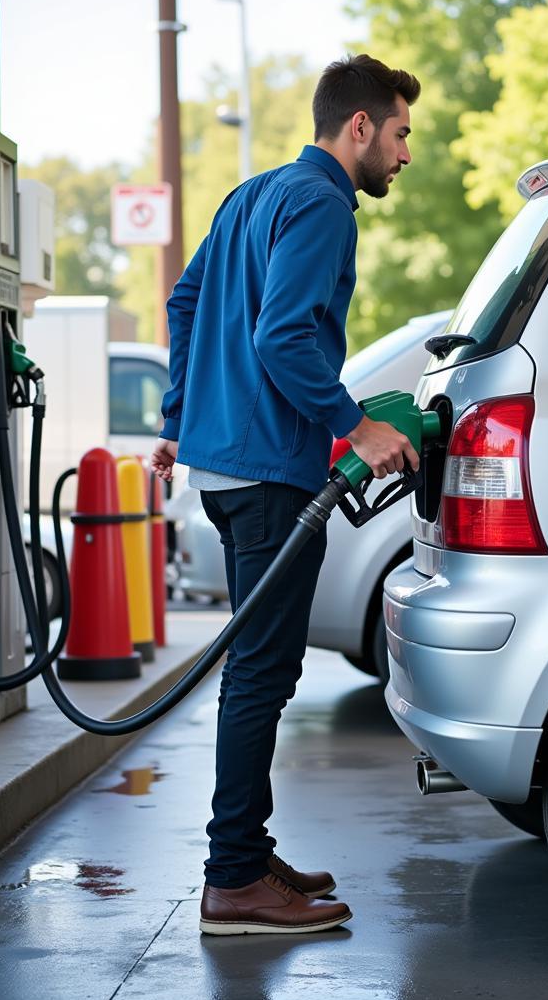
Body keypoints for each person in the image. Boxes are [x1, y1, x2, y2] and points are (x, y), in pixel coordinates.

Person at [151, 54, 421, 936]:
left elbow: (186, 301)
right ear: (358, 128)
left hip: (227, 468)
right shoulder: (322, 205)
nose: (404, 154)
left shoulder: (249, 197)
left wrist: (180, 411)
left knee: (257, 673)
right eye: (400, 133)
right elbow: (282, 338)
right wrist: (357, 426)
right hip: (271, 469)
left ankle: (247, 848)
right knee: (263, 676)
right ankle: (232, 880)